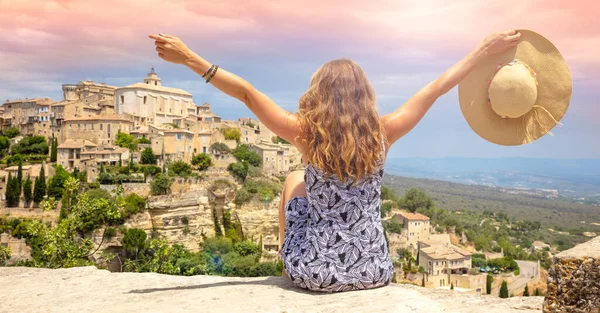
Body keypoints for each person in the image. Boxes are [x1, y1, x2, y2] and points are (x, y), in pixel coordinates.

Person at [149, 30, 520, 292]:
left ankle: (285, 262)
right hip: (374, 271)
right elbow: (436, 88)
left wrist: (190, 59)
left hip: (316, 275)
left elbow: (247, 93)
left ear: (320, 93)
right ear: (364, 95)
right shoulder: (384, 132)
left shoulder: (307, 135)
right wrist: (484, 50)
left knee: (295, 178)